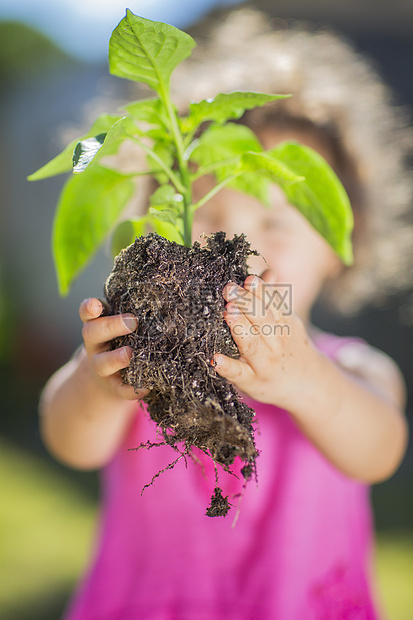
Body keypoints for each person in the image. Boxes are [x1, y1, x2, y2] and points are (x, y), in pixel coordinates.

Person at [39, 6, 412, 619]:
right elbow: (68, 441)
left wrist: (308, 379)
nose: (239, 251)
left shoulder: (349, 369)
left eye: (274, 223)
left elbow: (380, 448)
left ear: (339, 247)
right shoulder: (146, 362)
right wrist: (98, 383)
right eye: (208, 218)